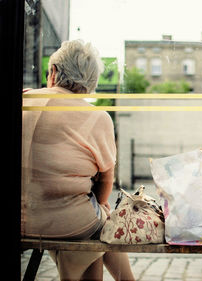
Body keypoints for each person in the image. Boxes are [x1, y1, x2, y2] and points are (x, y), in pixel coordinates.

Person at [21, 40, 135, 281]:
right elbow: (106, 179)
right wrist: (102, 206)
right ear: (91, 83)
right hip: (65, 224)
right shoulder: (96, 117)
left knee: (92, 227)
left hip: (22, 218)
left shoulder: (23, 100)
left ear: (53, 72)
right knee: (99, 224)